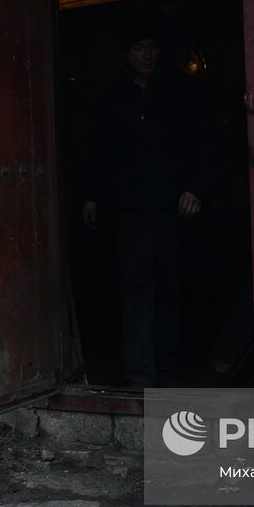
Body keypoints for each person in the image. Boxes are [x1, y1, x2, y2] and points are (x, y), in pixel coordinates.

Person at [82, 26, 208, 387]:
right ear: (128, 52)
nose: (147, 55)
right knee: (136, 289)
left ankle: (168, 371)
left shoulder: (180, 91)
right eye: (139, 47)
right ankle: (139, 374)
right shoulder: (113, 95)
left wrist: (195, 189)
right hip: (129, 210)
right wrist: (92, 195)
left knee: (170, 288)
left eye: (153, 47)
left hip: (172, 208)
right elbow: (99, 149)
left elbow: (201, 143)